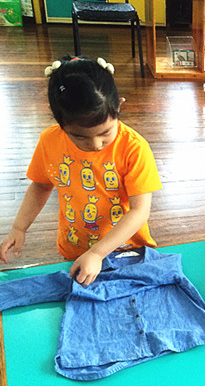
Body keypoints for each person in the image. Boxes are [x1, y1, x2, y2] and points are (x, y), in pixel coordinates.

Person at [0, 56, 162, 286]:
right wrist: (19, 227)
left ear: (118, 106)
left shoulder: (134, 148)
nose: (96, 144)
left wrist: (97, 253)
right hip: (75, 249)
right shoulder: (49, 141)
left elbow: (139, 211)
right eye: (79, 136)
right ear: (58, 121)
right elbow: (40, 186)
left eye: (105, 133)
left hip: (127, 250)